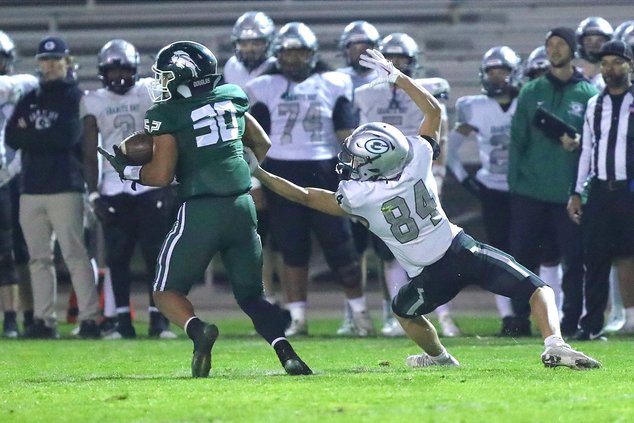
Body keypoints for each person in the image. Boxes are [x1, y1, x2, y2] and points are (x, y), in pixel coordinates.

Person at [250, 48, 601, 370]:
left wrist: (258, 172)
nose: (350, 162)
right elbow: (434, 110)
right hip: (463, 250)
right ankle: (555, 342)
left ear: (374, 163)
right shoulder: (416, 158)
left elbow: (305, 195)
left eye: (357, 158)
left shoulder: (358, 196)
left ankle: (440, 358)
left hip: (429, 277)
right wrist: (400, 78)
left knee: (403, 311)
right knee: (539, 289)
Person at [99, 40, 311, 377]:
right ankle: (287, 354)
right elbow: (262, 143)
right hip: (243, 206)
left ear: (183, 75)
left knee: (165, 292)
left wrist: (126, 170)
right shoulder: (231, 96)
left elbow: (161, 174)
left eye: (166, 76)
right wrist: (237, 167)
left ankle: (198, 330)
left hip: (201, 209)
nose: (163, 83)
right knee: (253, 297)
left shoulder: (167, 113)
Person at [245, 22, 375, 337]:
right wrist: (257, 182)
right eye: (288, 52)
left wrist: (355, 177)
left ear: (312, 53)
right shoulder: (264, 86)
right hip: (280, 171)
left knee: (341, 246)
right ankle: (297, 317)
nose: (293, 58)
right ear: (278, 54)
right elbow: (253, 141)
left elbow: (347, 135)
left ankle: (359, 313)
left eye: (300, 51)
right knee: (292, 249)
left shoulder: (334, 82)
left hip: (325, 170)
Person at [353, 32, 459, 338]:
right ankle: (393, 312)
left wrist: (438, 172)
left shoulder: (430, 88)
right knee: (389, 249)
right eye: (392, 58)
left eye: (402, 59)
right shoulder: (364, 93)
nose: (397, 64)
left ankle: (444, 315)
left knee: (434, 247)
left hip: (418, 175)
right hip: (380, 177)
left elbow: (442, 128)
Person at [6, 35, 101, 339]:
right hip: (31, 188)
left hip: (65, 186)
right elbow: (11, 137)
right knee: (38, 259)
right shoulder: (30, 96)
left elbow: (68, 138)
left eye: (55, 59)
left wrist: (31, 134)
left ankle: (89, 318)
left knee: (75, 254)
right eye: (44, 60)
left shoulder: (75, 96)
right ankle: (43, 320)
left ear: (67, 62)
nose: (49, 65)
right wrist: (42, 136)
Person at [82, 39, 177, 339]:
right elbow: (88, 150)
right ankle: (121, 321)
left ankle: (157, 320)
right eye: (112, 71)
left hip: (149, 182)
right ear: (102, 72)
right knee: (117, 257)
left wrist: (168, 180)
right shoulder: (93, 100)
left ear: (135, 69)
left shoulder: (150, 89)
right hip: (113, 185)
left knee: (155, 255)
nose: (119, 76)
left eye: (124, 69)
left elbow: (167, 135)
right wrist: (94, 193)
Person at [508, 27, 598, 339]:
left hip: (567, 192)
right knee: (522, 258)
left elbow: (594, 144)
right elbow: (516, 140)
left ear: (573, 50)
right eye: (550, 44)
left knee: (574, 260)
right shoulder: (531, 90)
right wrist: (515, 186)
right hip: (529, 191)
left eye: (561, 44)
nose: (554, 49)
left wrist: (577, 149)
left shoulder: (588, 94)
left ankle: (571, 320)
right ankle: (519, 319)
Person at [567, 40, 634, 336]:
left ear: (629, 65)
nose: (610, 68)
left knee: (628, 255)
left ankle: (630, 318)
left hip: (629, 189)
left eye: (617, 62)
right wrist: (576, 191)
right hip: (600, 191)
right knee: (593, 257)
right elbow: (587, 151)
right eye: (605, 63)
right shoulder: (595, 104)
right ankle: (591, 324)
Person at [223, 11, 281, 307]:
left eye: (256, 42)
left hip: (283, 155)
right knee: (259, 231)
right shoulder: (230, 68)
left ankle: (291, 303)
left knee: (284, 235)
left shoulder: (279, 66)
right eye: (244, 43)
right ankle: (267, 297)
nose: (249, 49)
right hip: (247, 156)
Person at [335, 20, 381, 337]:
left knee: (392, 248)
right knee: (354, 250)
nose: (361, 51)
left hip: (391, 168)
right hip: (355, 170)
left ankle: (396, 314)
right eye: (355, 46)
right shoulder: (337, 81)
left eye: (366, 45)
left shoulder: (387, 77)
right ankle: (352, 312)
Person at [0, 30, 38, 337]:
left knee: (24, 249)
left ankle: (29, 314)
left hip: (16, 175)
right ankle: (10, 316)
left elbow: (35, 82)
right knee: (4, 251)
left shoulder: (21, 85)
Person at [575, 17, 613, 90]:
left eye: (600, 40)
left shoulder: (616, 78)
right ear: (581, 44)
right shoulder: (572, 77)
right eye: (589, 40)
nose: (594, 45)